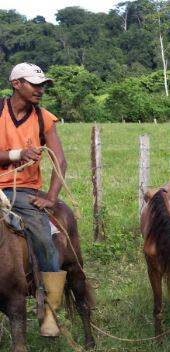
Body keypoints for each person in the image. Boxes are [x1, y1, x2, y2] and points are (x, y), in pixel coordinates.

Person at [0, 63, 68, 337]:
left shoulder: (44, 118)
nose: (40, 90)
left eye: (42, 85)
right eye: (34, 84)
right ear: (17, 84)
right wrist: (17, 155)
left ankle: (51, 311)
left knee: (45, 240)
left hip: (23, 192)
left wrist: (51, 196)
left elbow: (59, 160)